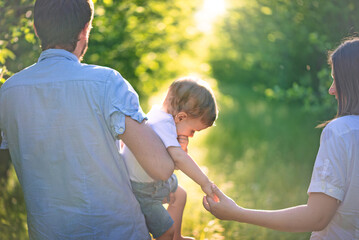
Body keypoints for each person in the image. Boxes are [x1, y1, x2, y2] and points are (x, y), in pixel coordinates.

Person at [0, 0, 175, 239]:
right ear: (85, 29)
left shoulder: (8, 92)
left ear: (36, 28)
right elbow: (161, 168)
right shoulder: (106, 82)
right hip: (118, 232)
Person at [203, 38, 359, 239]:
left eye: (336, 79)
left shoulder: (341, 131)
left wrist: (237, 213)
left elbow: (317, 217)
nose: (331, 89)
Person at [121, 77, 218, 240]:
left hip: (154, 182)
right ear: (180, 117)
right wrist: (205, 183)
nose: (192, 135)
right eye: (193, 130)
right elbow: (179, 159)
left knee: (180, 196)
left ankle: (177, 237)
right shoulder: (162, 124)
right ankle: (171, 236)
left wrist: (183, 146)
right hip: (142, 189)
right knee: (166, 231)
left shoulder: (160, 117)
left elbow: (173, 161)